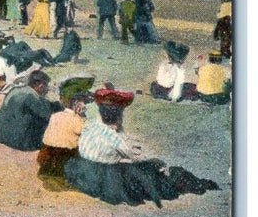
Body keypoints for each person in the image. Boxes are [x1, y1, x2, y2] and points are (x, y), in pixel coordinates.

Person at [63, 89, 218, 207]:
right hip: (107, 178)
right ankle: (197, 184)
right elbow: (138, 158)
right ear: (119, 116)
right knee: (154, 172)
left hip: (85, 172)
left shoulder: (90, 128)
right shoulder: (115, 139)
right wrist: (156, 162)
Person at [0, 70, 64, 151]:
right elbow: (48, 114)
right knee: (46, 122)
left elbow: (43, 104)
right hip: (14, 141)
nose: (47, 89)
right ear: (38, 85)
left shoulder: (17, 90)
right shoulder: (31, 96)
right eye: (46, 86)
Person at [37, 92, 91, 187]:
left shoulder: (55, 116)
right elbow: (86, 133)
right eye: (84, 103)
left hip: (47, 155)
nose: (85, 106)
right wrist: (83, 117)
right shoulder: (76, 120)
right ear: (76, 104)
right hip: (65, 156)